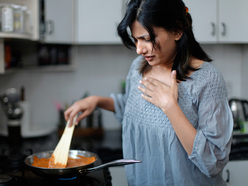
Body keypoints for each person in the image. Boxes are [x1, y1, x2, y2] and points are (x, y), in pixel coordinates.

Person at [65, 0, 233, 185]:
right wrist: (96, 100)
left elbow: (213, 162)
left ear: (177, 30)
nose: (139, 49)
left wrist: (171, 107)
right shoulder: (138, 68)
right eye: (136, 39)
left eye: (147, 38)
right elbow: (133, 109)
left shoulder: (207, 80)